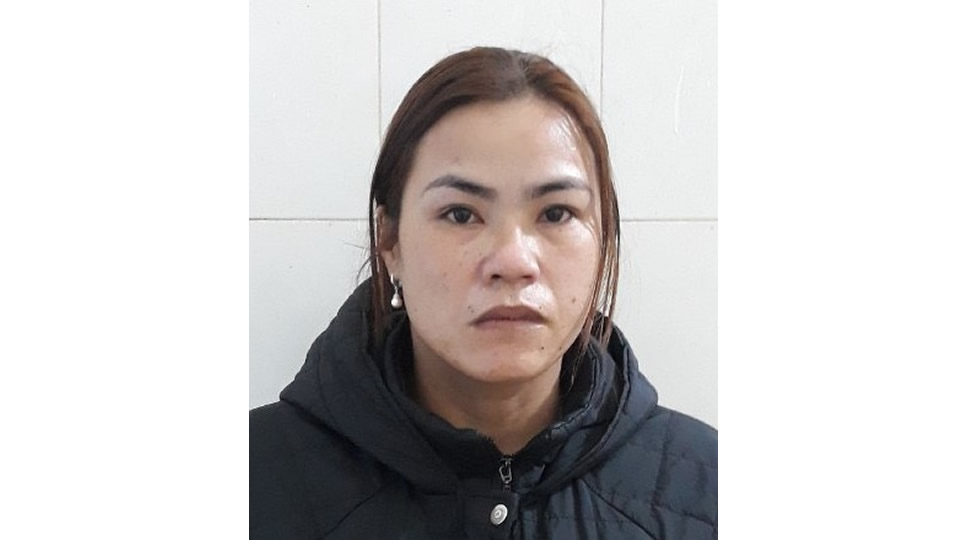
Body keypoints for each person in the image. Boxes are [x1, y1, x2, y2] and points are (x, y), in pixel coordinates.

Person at [250, 46, 717, 539]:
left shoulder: (709, 492)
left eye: (556, 213)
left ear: (603, 239)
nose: (513, 262)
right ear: (389, 241)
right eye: (460, 214)